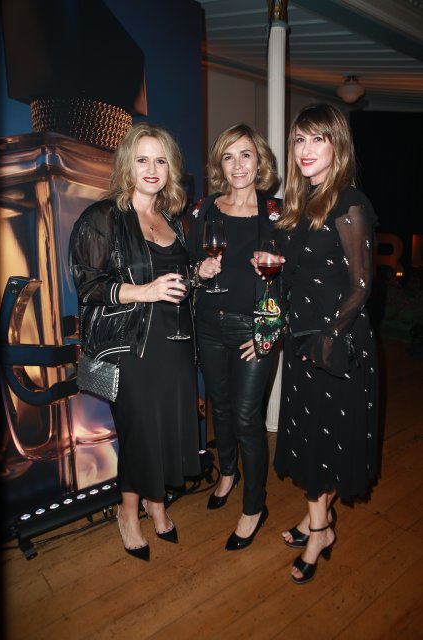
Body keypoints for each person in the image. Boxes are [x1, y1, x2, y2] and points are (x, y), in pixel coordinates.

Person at [254, 103, 378, 583]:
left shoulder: (349, 203)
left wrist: (328, 338)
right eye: (300, 140)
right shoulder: (301, 201)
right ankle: (315, 520)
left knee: (323, 438)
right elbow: (306, 266)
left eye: (317, 139)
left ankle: (320, 532)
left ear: (337, 145)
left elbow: (361, 286)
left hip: (335, 342)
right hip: (306, 339)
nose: (305, 150)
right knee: (315, 436)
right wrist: (273, 263)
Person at [69, 123, 201, 561]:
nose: (151, 168)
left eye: (160, 160)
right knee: (140, 431)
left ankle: (156, 503)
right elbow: (88, 285)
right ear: (127, 164)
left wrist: (199, 276)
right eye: (142, 159)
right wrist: (144, 291)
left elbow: (177, 279)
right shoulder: (103, 217)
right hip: (131, 348)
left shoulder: (172, 219)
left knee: (165, 428)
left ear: (171, 168)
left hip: (175, 343)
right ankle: (128, 511)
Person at [187, 123, 282, 551]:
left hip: (253, 329)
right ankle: (228, 472)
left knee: (246, 418)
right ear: (220, 165)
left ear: (259, 161)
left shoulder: (277, 213)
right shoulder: (205, 208)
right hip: (209, 324)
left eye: (246, 155)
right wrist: (200, 271)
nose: (238, 165)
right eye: (228, 156)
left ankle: (254, 507)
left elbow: (293, 279)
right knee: (220, 408)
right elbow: (188, 264)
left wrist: (268, 333)